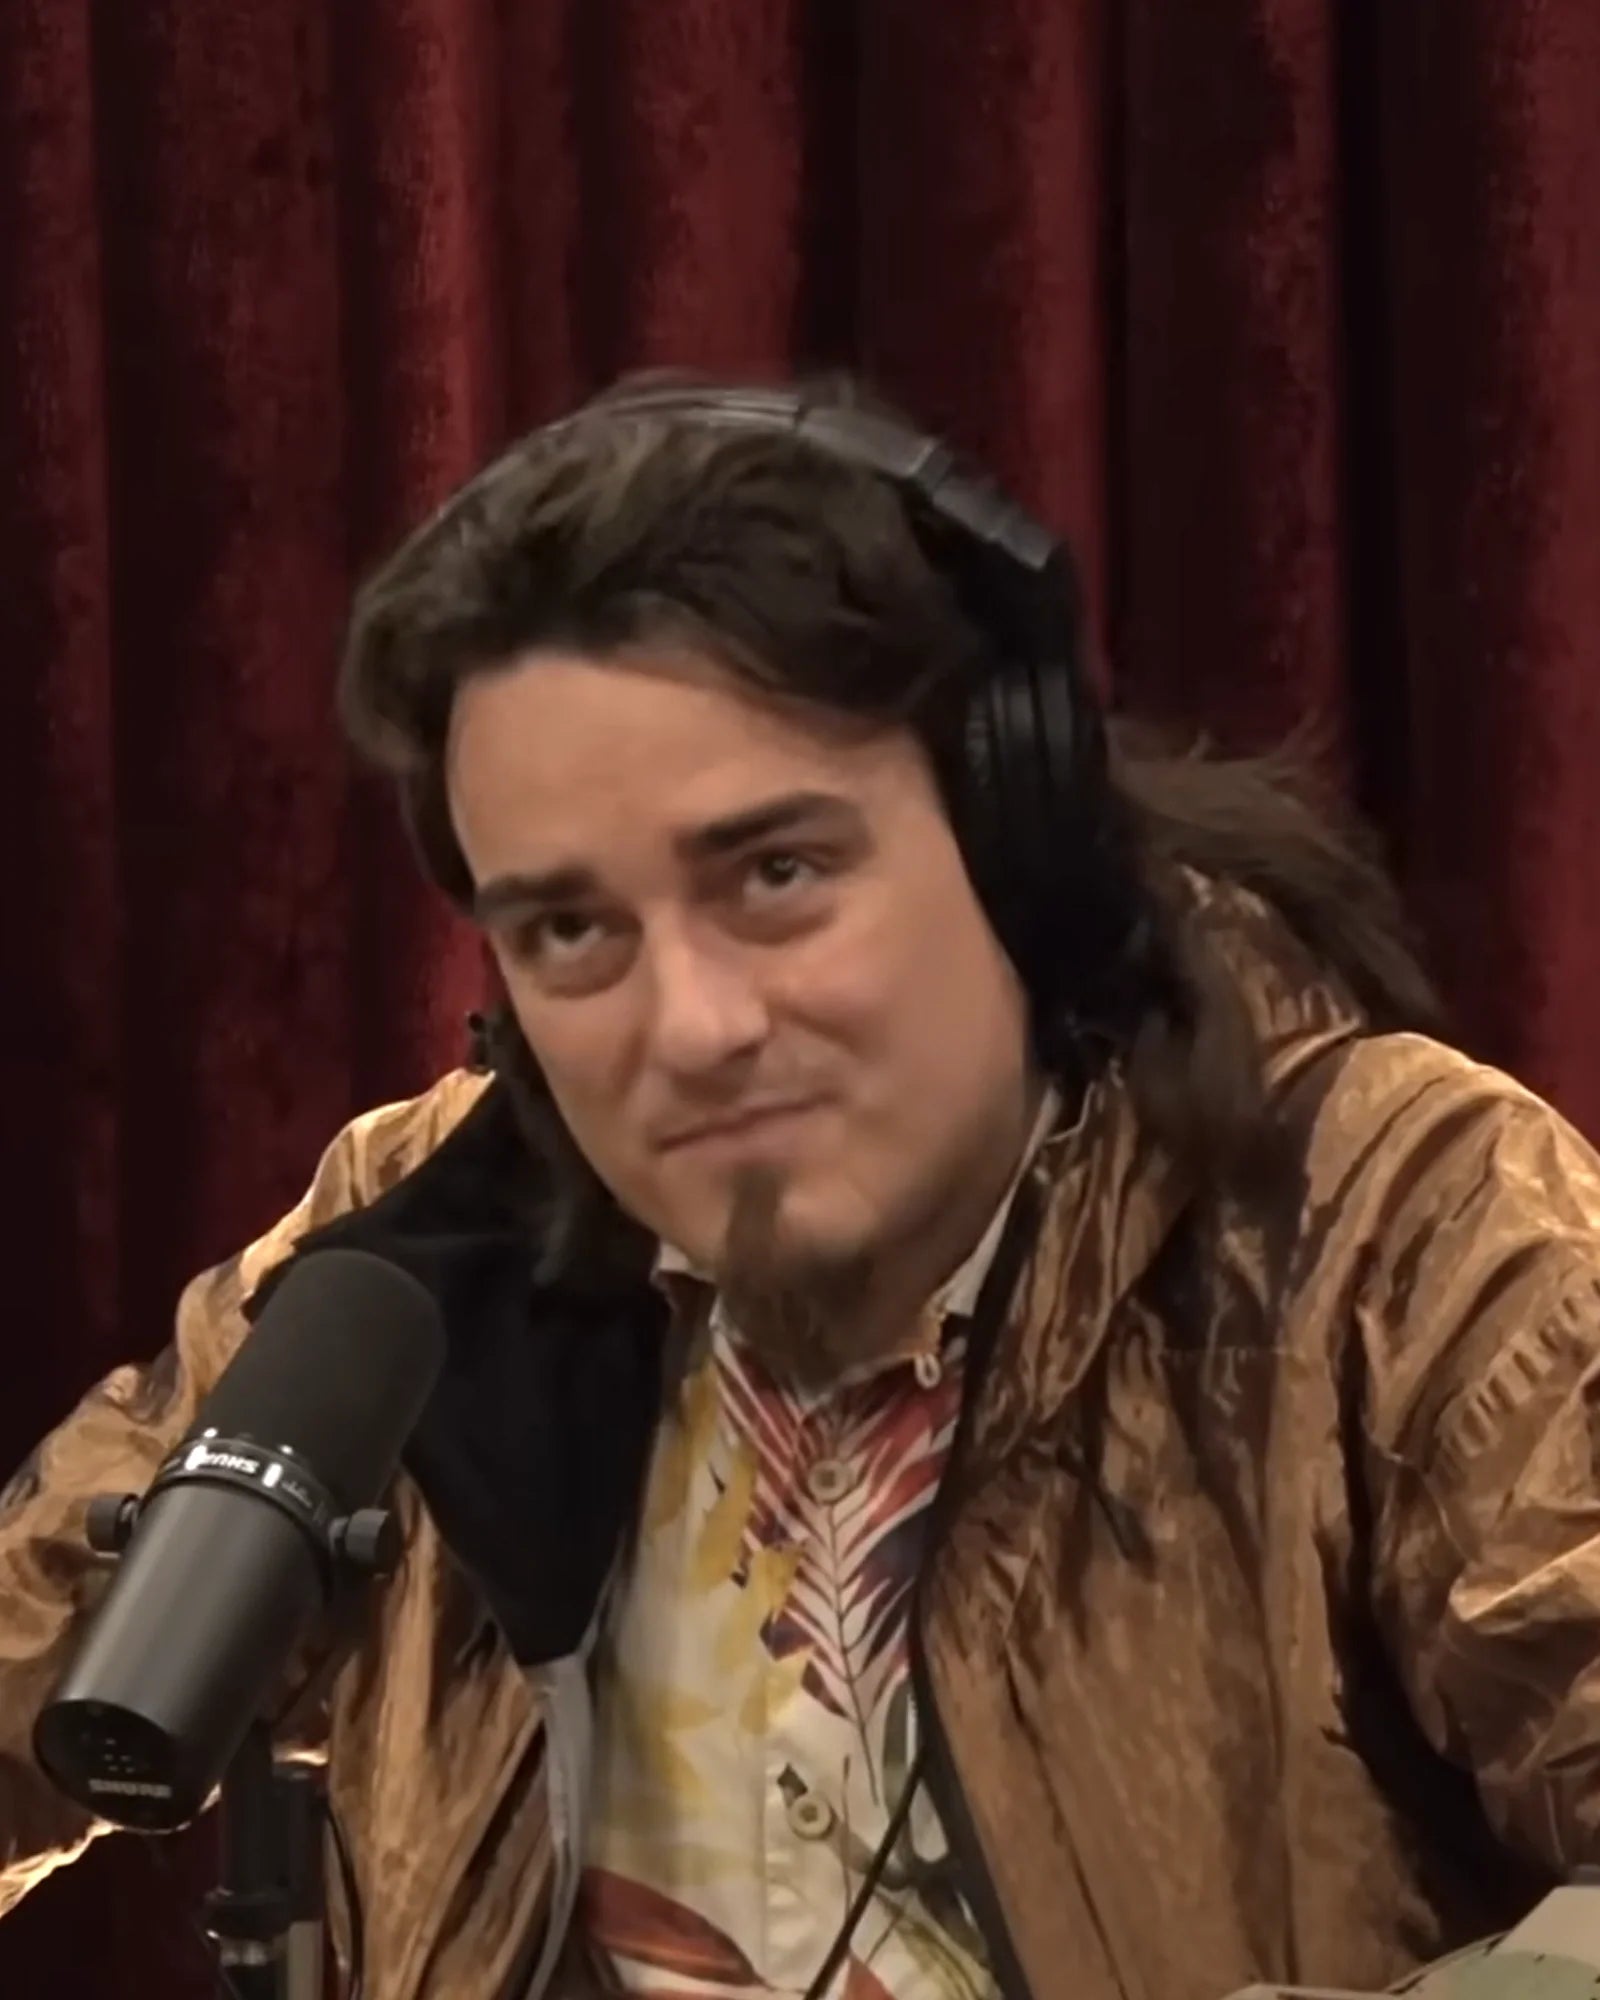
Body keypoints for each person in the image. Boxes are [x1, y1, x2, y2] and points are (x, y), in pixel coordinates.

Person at [3, 370, 1600, 2000]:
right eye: (572, 929)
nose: (692, 1028)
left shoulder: (1402, 1225)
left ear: (1013, 840)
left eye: (777, 873)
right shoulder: (415, 1258)